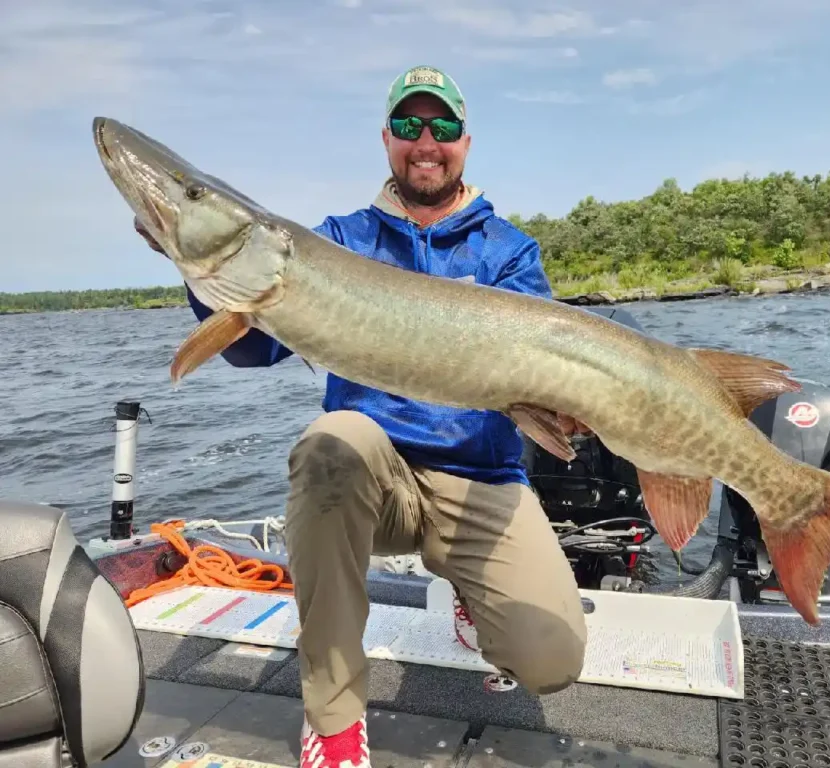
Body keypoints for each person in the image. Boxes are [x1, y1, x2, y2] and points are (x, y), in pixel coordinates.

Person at [135, 65, 587, 768]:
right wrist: (192, 264)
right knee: (331, 441)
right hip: (373, 481)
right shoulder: (337, 241)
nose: (425, 141)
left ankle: (471, 590)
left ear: (465, 142)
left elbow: (543, 373)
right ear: (387, 139)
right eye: (408, 124)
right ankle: (335, 718)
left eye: (442, 126)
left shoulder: (509, 251)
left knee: (552, 660)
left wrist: (570, 406)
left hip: (481, 483)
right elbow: (251, 351)